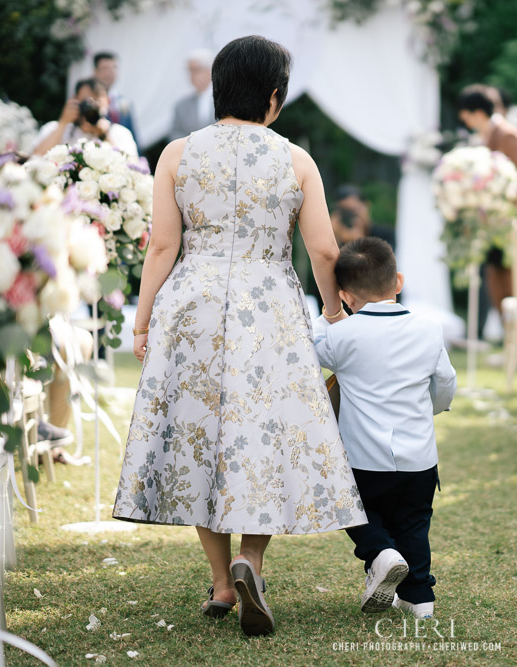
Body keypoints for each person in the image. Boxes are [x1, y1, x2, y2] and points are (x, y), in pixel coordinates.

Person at [111, 35, 368, 637]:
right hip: (269, 307)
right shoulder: (294, 159)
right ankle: (253, 559)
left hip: (192, 305)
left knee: (202, 437)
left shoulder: (177, 152)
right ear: (275, 96)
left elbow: (163, 245)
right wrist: (334, 310)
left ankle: (224, 582)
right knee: (262, 437)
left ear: (217, 88)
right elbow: (323, 248)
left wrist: (143, 319)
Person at [313, 237, 456, 619]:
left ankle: (379, 552)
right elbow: (444, 384)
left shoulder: (340, 336)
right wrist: (434, 410)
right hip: (418, 456)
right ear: (399, 282)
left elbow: (308, 352)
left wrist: (329, 314)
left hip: (363, 457)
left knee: (354, 510)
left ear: (345, 296)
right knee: (413, 523)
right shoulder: (429, 329)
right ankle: (420, 597)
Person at [456, 84, 517, 319]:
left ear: (477, 113)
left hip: (514, 225)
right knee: (496, 280)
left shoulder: (507, 134)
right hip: (493, 225)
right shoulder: (487, 137)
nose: (467, 125)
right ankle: (509, 339)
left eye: (467, 119)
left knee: (514, 283)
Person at [32, 78, 138, 157]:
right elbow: (36, 158)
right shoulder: (55, 128)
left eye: (97, 102)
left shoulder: (119, 133)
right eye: (86, 102)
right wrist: (63, 123)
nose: (91, 108)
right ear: (75, 100)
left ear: (108, 102)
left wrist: (105, 135)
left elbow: (133, 168)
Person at [167, 49, 215, 140]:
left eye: (196, 70)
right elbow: (175, 134)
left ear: (209, 70)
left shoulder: (226, 99)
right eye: (190, 70)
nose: (192, 75)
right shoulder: (181, 106)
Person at [330, 185, 395, 249]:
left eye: (353, 210)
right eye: (345, 211)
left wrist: (360, 244)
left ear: (367, 205)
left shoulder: (385, 235)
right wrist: (333, 239)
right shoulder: (333, 236)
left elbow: (385, 258)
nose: (350, 216)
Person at [93, 51, 137, 144]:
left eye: (114, 68)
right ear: (95, 71)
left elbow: (133, 135)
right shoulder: (89, 100)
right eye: (105, 68)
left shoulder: (125, 102)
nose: (110, 72)